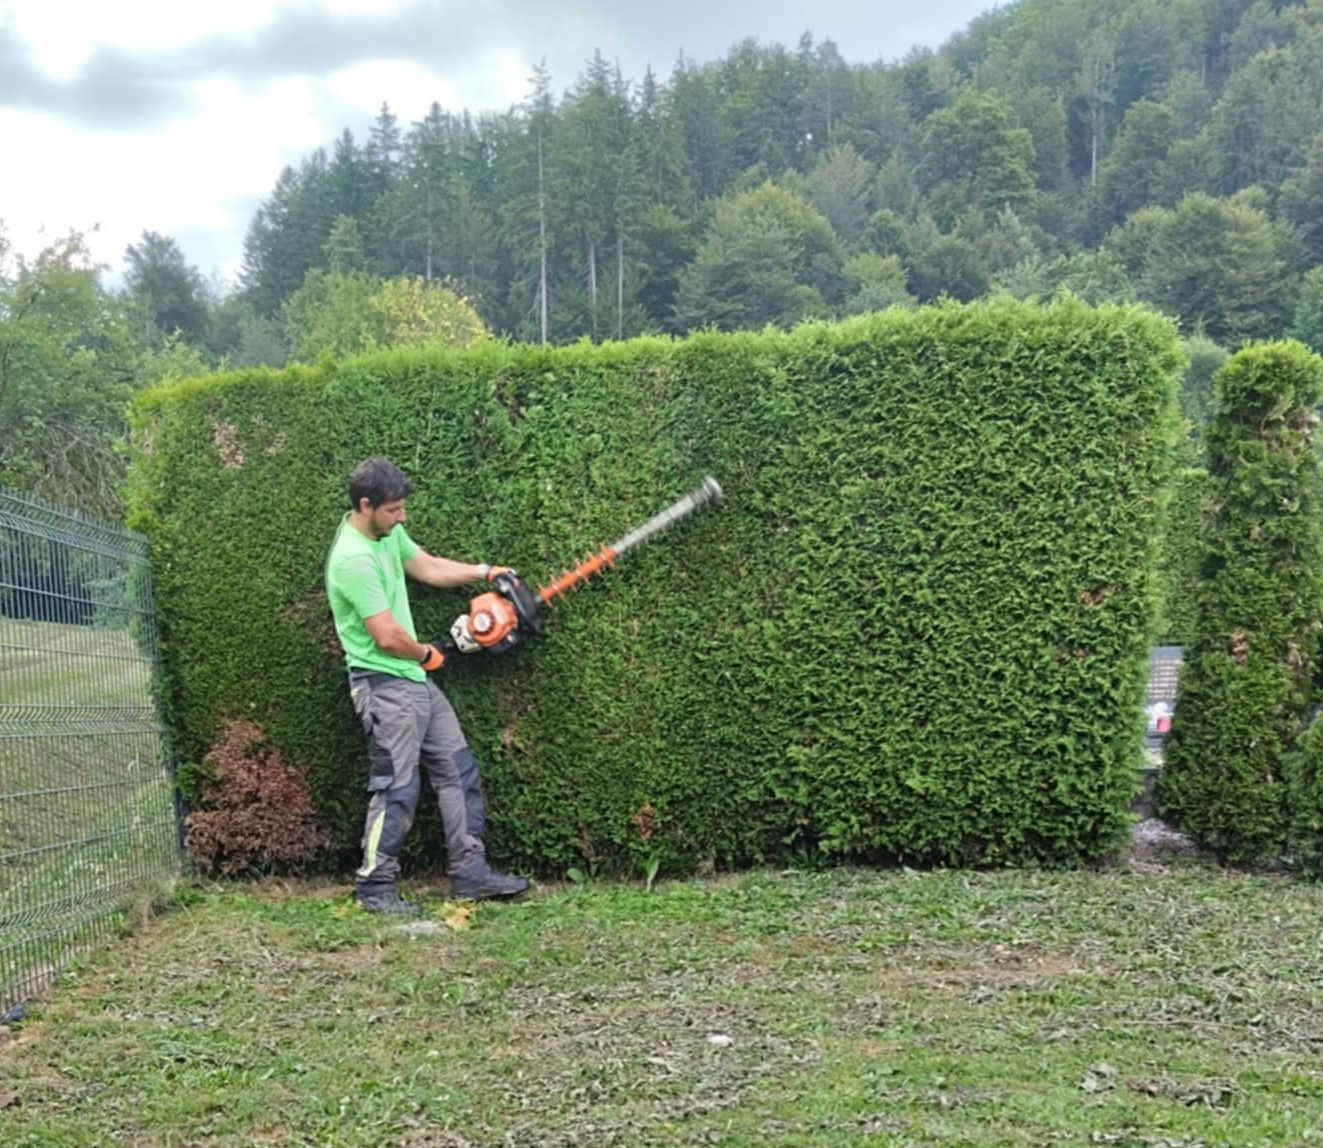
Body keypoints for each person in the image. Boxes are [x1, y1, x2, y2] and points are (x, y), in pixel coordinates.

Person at [325, 457, 530, 914]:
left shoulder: (386, 534)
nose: (402, 518)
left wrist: (486, 572)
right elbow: (386, 636)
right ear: (366, 505)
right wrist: (428, 653)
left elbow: (430, 567)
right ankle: (374, 888)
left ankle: (470, 873)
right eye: (394, 510)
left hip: (411, 680)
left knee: (458, 770)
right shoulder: (352, 559)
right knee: (396, 787)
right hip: (383, 684)